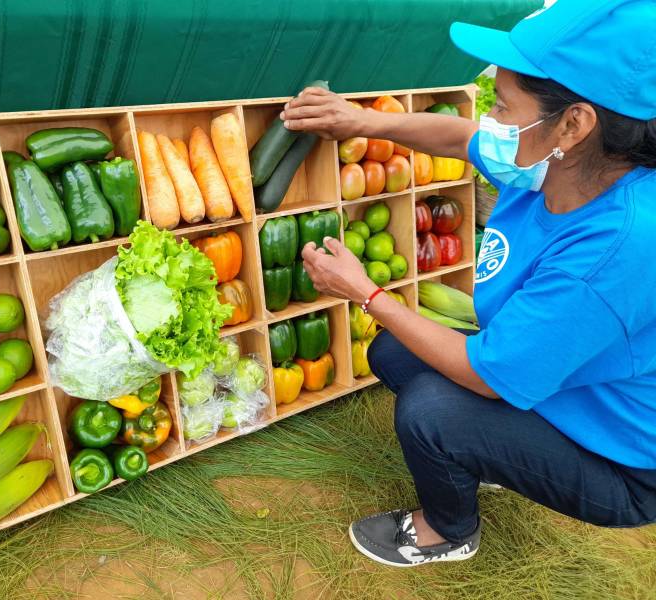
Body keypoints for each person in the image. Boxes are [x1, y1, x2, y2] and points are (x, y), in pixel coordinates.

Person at [280, 0, 656, 568]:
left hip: (621, 461)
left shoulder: (616, 248)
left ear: (575, 123)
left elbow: (487, 377)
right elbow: (460, 138)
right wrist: (363, 121)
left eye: (504, 106)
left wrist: (367, 293)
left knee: (432, 409)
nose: (494, 120)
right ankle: (493, 458)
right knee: (396, 352)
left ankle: (447, 530)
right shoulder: (563, 160)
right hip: (562, 388)